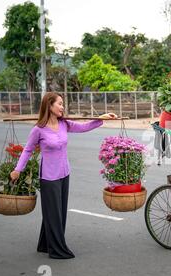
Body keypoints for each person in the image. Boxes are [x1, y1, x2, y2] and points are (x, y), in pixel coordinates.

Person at [10, 92, 117, 259]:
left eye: (62, 104)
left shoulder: (64, 124)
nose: (62, 107)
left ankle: (45, 244)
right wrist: (18, 169)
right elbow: (28, 150)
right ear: (49, 106)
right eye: (59, 104)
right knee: (54, 214)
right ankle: (57, 249)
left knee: (59, 212)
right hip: (49, 177)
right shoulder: (38, 129)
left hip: (64, 173)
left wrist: (100, 118)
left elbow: (83, 127)